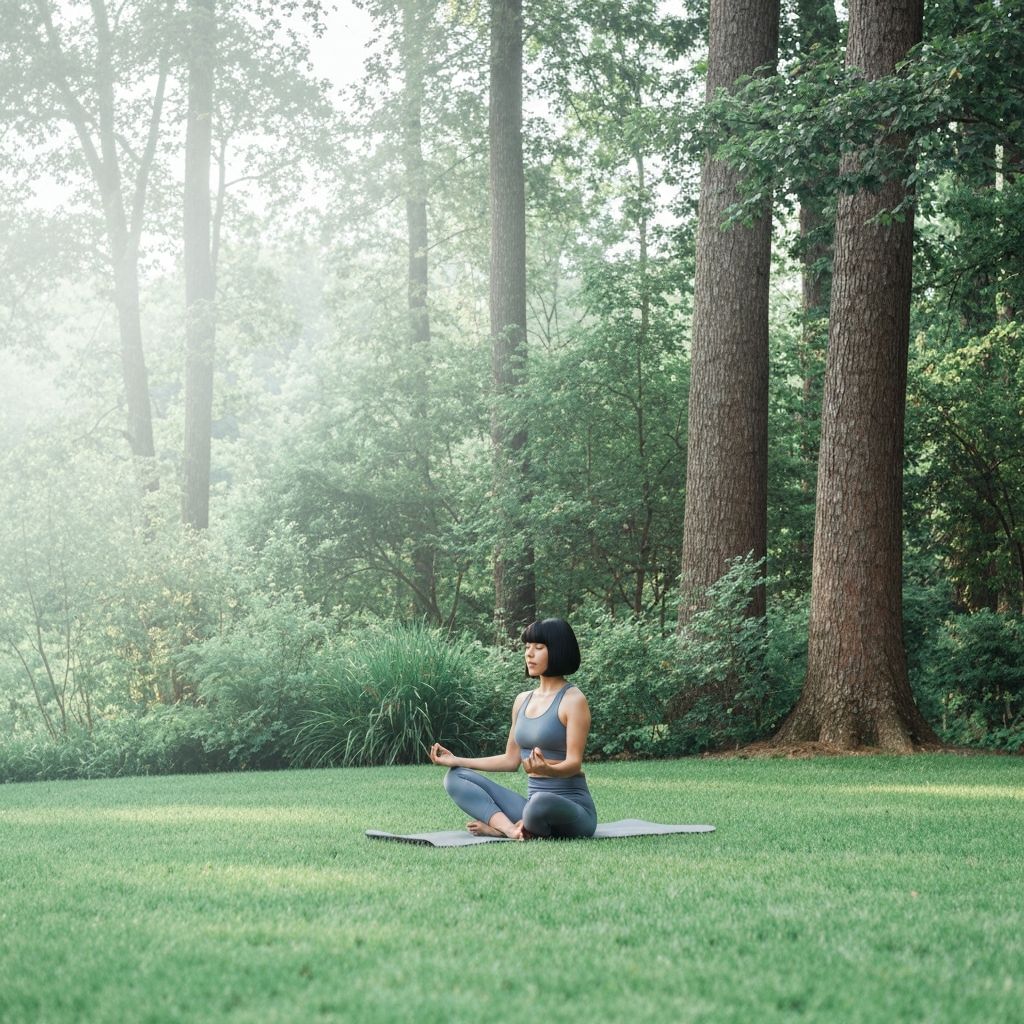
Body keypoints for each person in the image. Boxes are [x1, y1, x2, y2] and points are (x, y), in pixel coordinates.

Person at [428, 617, 597, 840]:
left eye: (538, 647)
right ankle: (510, 830)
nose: (529, 653)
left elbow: (574, 763)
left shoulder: (573, 700)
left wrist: (549, 770)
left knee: (539, 802)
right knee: (455, 778)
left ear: (558, 651)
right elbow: (510, 760)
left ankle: (514, 828)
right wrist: (457, 760)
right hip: (531, 807)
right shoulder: (522, 700)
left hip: (572, 811)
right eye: (527, 647)